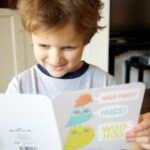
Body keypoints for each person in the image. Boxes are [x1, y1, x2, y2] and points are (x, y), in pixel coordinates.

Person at [5, 0, 150, 149]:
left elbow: (125, 143)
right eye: (44, 46)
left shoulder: (104, 84)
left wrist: (139, 138)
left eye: (68, 47)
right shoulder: (20, 85)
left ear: (85, 40)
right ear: (31, 36)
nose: (55, 59)